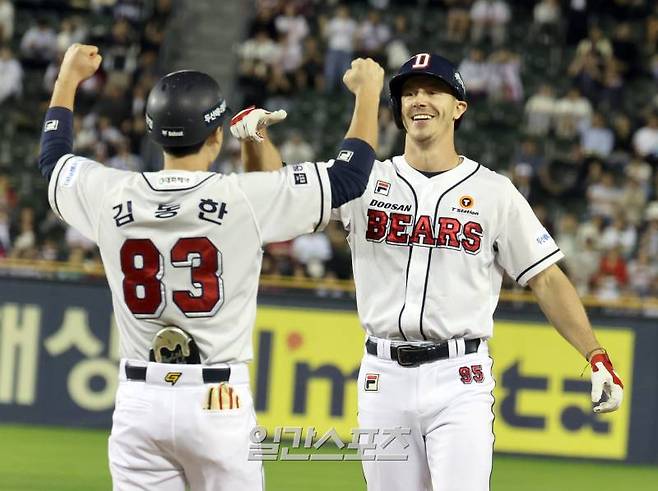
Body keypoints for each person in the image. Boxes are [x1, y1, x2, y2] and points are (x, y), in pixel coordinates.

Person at [243, 52, 625, 491]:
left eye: (431, 90)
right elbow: (277, 199)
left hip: (459, 377)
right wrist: (255, 140)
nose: (418, 100)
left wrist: (595, 354)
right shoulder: (361, 181)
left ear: (459, 107)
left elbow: (546, 278)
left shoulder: (494, 192)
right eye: (408, 93)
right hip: (382, 375)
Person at [38, 43, 384, 491]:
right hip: (217, 399)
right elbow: (349, 178)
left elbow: (53, 160)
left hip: (139, 400)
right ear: (217, 135)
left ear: (153, 133)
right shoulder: (241, 198)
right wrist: (368, 93)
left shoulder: (110, 193)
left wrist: (67, 79)